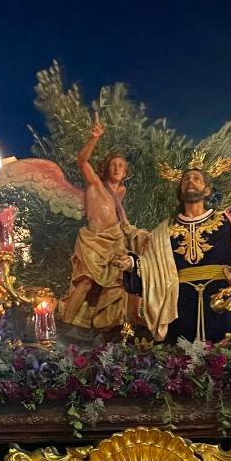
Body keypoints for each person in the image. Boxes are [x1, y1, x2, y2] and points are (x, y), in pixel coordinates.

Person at [122, 165, 231, 343]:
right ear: (180, 191)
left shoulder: (227, 222)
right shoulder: (164, 230)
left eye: (196, 178)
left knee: (225, 356)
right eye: (186, 179)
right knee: (180, 360)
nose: (190, 181)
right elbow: (150, 266)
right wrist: (132, 263)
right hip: (179, 302)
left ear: (207, 190)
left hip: (220, 299)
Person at [60, 114, 142, 332]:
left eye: (121, 166)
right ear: (106, 168)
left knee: (116, 286)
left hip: (115, 241)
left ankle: (104, 329)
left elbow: (117, 213)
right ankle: (66, 326)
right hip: (93, 240)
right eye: (113, 164)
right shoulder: (96, 184)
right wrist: (94, 137)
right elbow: (82, 161)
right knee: (85, 282)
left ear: (125, 173)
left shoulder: (121, 192)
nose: (116, 168)